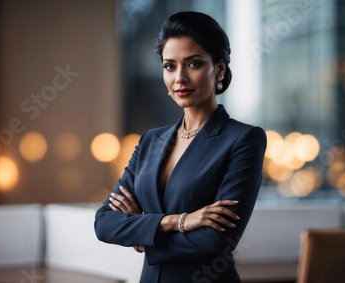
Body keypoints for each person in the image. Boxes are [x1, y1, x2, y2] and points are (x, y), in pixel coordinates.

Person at [94, 11, 267, 282]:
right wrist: (178, 221)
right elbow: (104, 223)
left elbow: (215, 242)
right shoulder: (150, 140)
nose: (180, 78)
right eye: (170, 66)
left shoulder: (244, 139)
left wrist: (140, 238)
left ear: (219, 68)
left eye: (194, 64)